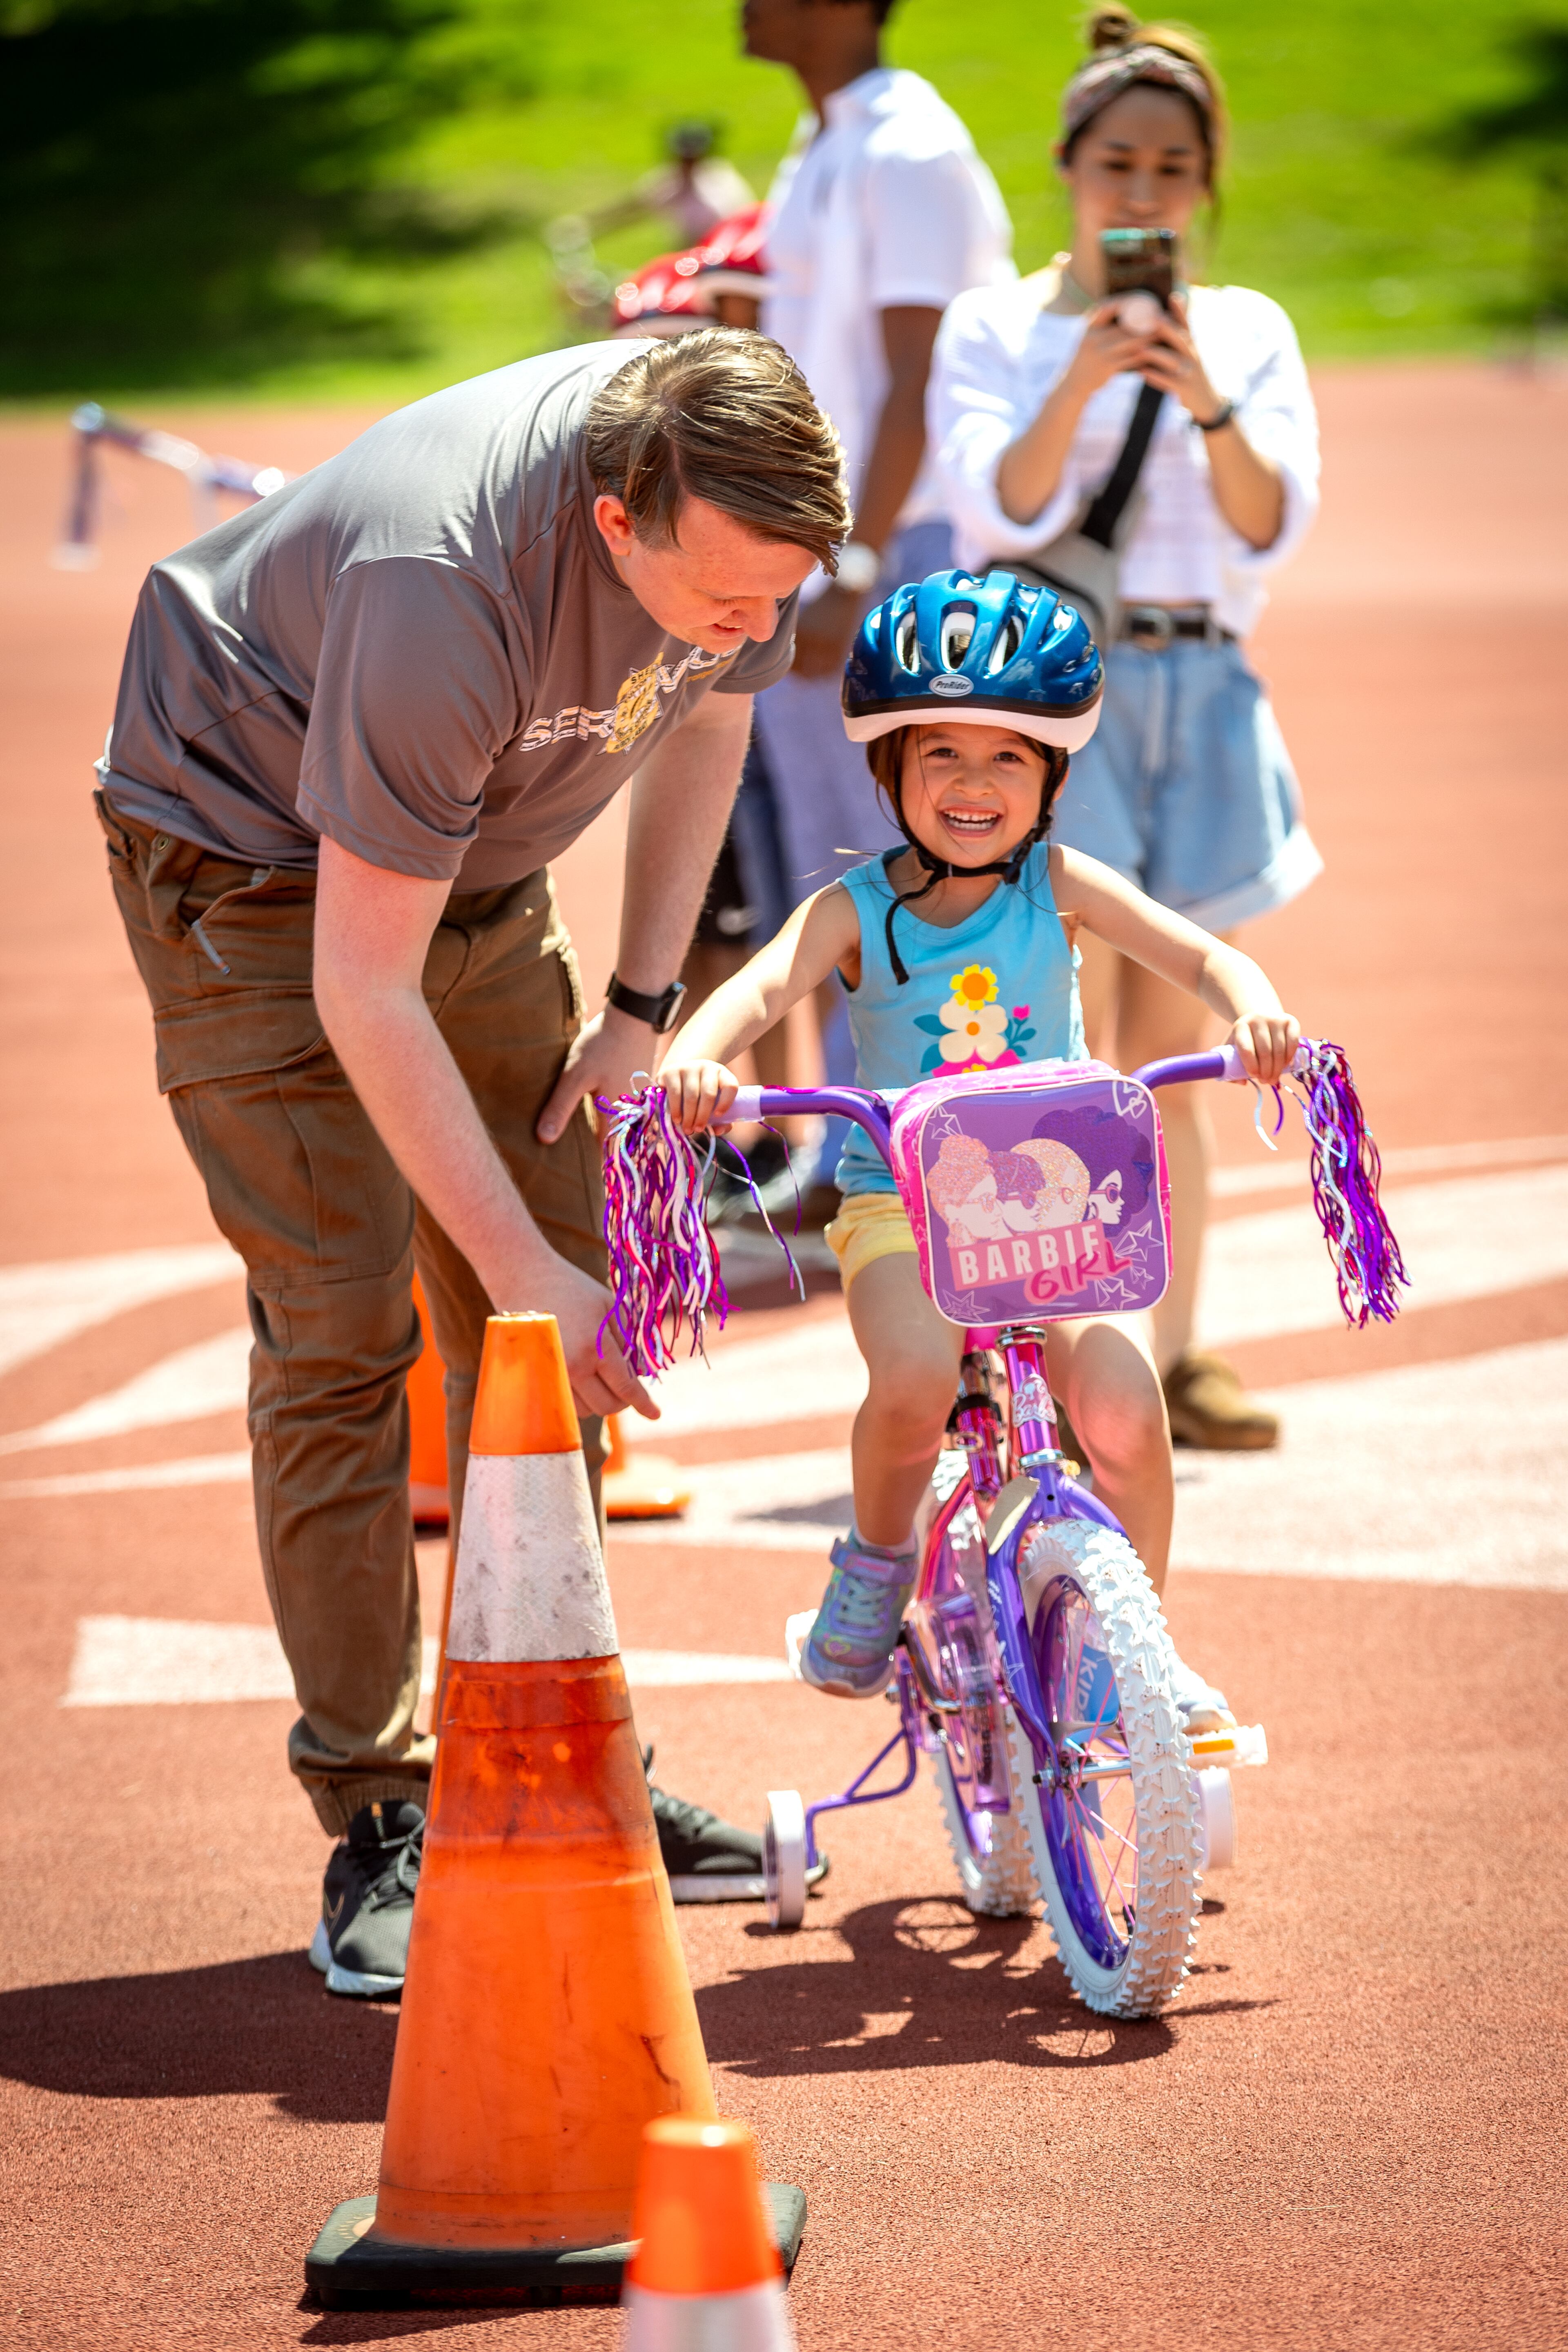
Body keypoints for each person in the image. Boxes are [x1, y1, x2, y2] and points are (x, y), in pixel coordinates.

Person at [93, 329, 850, 1991]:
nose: (752, 630)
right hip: (248, 867)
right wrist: (517, 1260)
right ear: (613, 524)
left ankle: (560, 1755)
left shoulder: (748, 497)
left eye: (775, 598)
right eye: (722, 597)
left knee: (550, 1335)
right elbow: (358, 982)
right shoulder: (449, 584)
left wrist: (644, 1008)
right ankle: (377, 1806)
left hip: (477, 867)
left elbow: (715, 720)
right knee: (345, 1322)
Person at [657, 570, 1301, 1725]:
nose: (972, 782)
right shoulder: (853, 909)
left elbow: (1202, 956)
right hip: (900, 1198)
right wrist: (697, 1060)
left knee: (1124, 1408)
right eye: (940, 752)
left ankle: (1135, 1647)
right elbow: (756, 989)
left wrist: (1251, 1004)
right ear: (888, 767)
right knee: (910, 1377)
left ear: (1053, 775)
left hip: (1054, 1200)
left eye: (1008, 756)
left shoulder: (1058, 883)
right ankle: (876, 1559)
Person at [927, 7, 1321, 1451]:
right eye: (1116, 164)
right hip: (1048, 710)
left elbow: (1271, 525)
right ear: (1069, 169)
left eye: (1170, 166)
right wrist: (1087, 374)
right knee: (1045, 1039)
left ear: (1206, 183)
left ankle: (1177, 1354)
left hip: (1201, 689)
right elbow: (992, 509)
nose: (1142, 193)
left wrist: (1205, 401)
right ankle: (1025, 1360)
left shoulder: (1250, 330)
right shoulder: (997, 325)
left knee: (1169, 1053)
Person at [742, 0, 1015, 1212]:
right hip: (833, 544)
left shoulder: (908, 148)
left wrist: (853, 571)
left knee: (887, 854)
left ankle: (900, 1145)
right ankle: (857, 1138)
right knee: (826, 851)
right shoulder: (825, 141)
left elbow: (922, 373)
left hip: (890, 547)